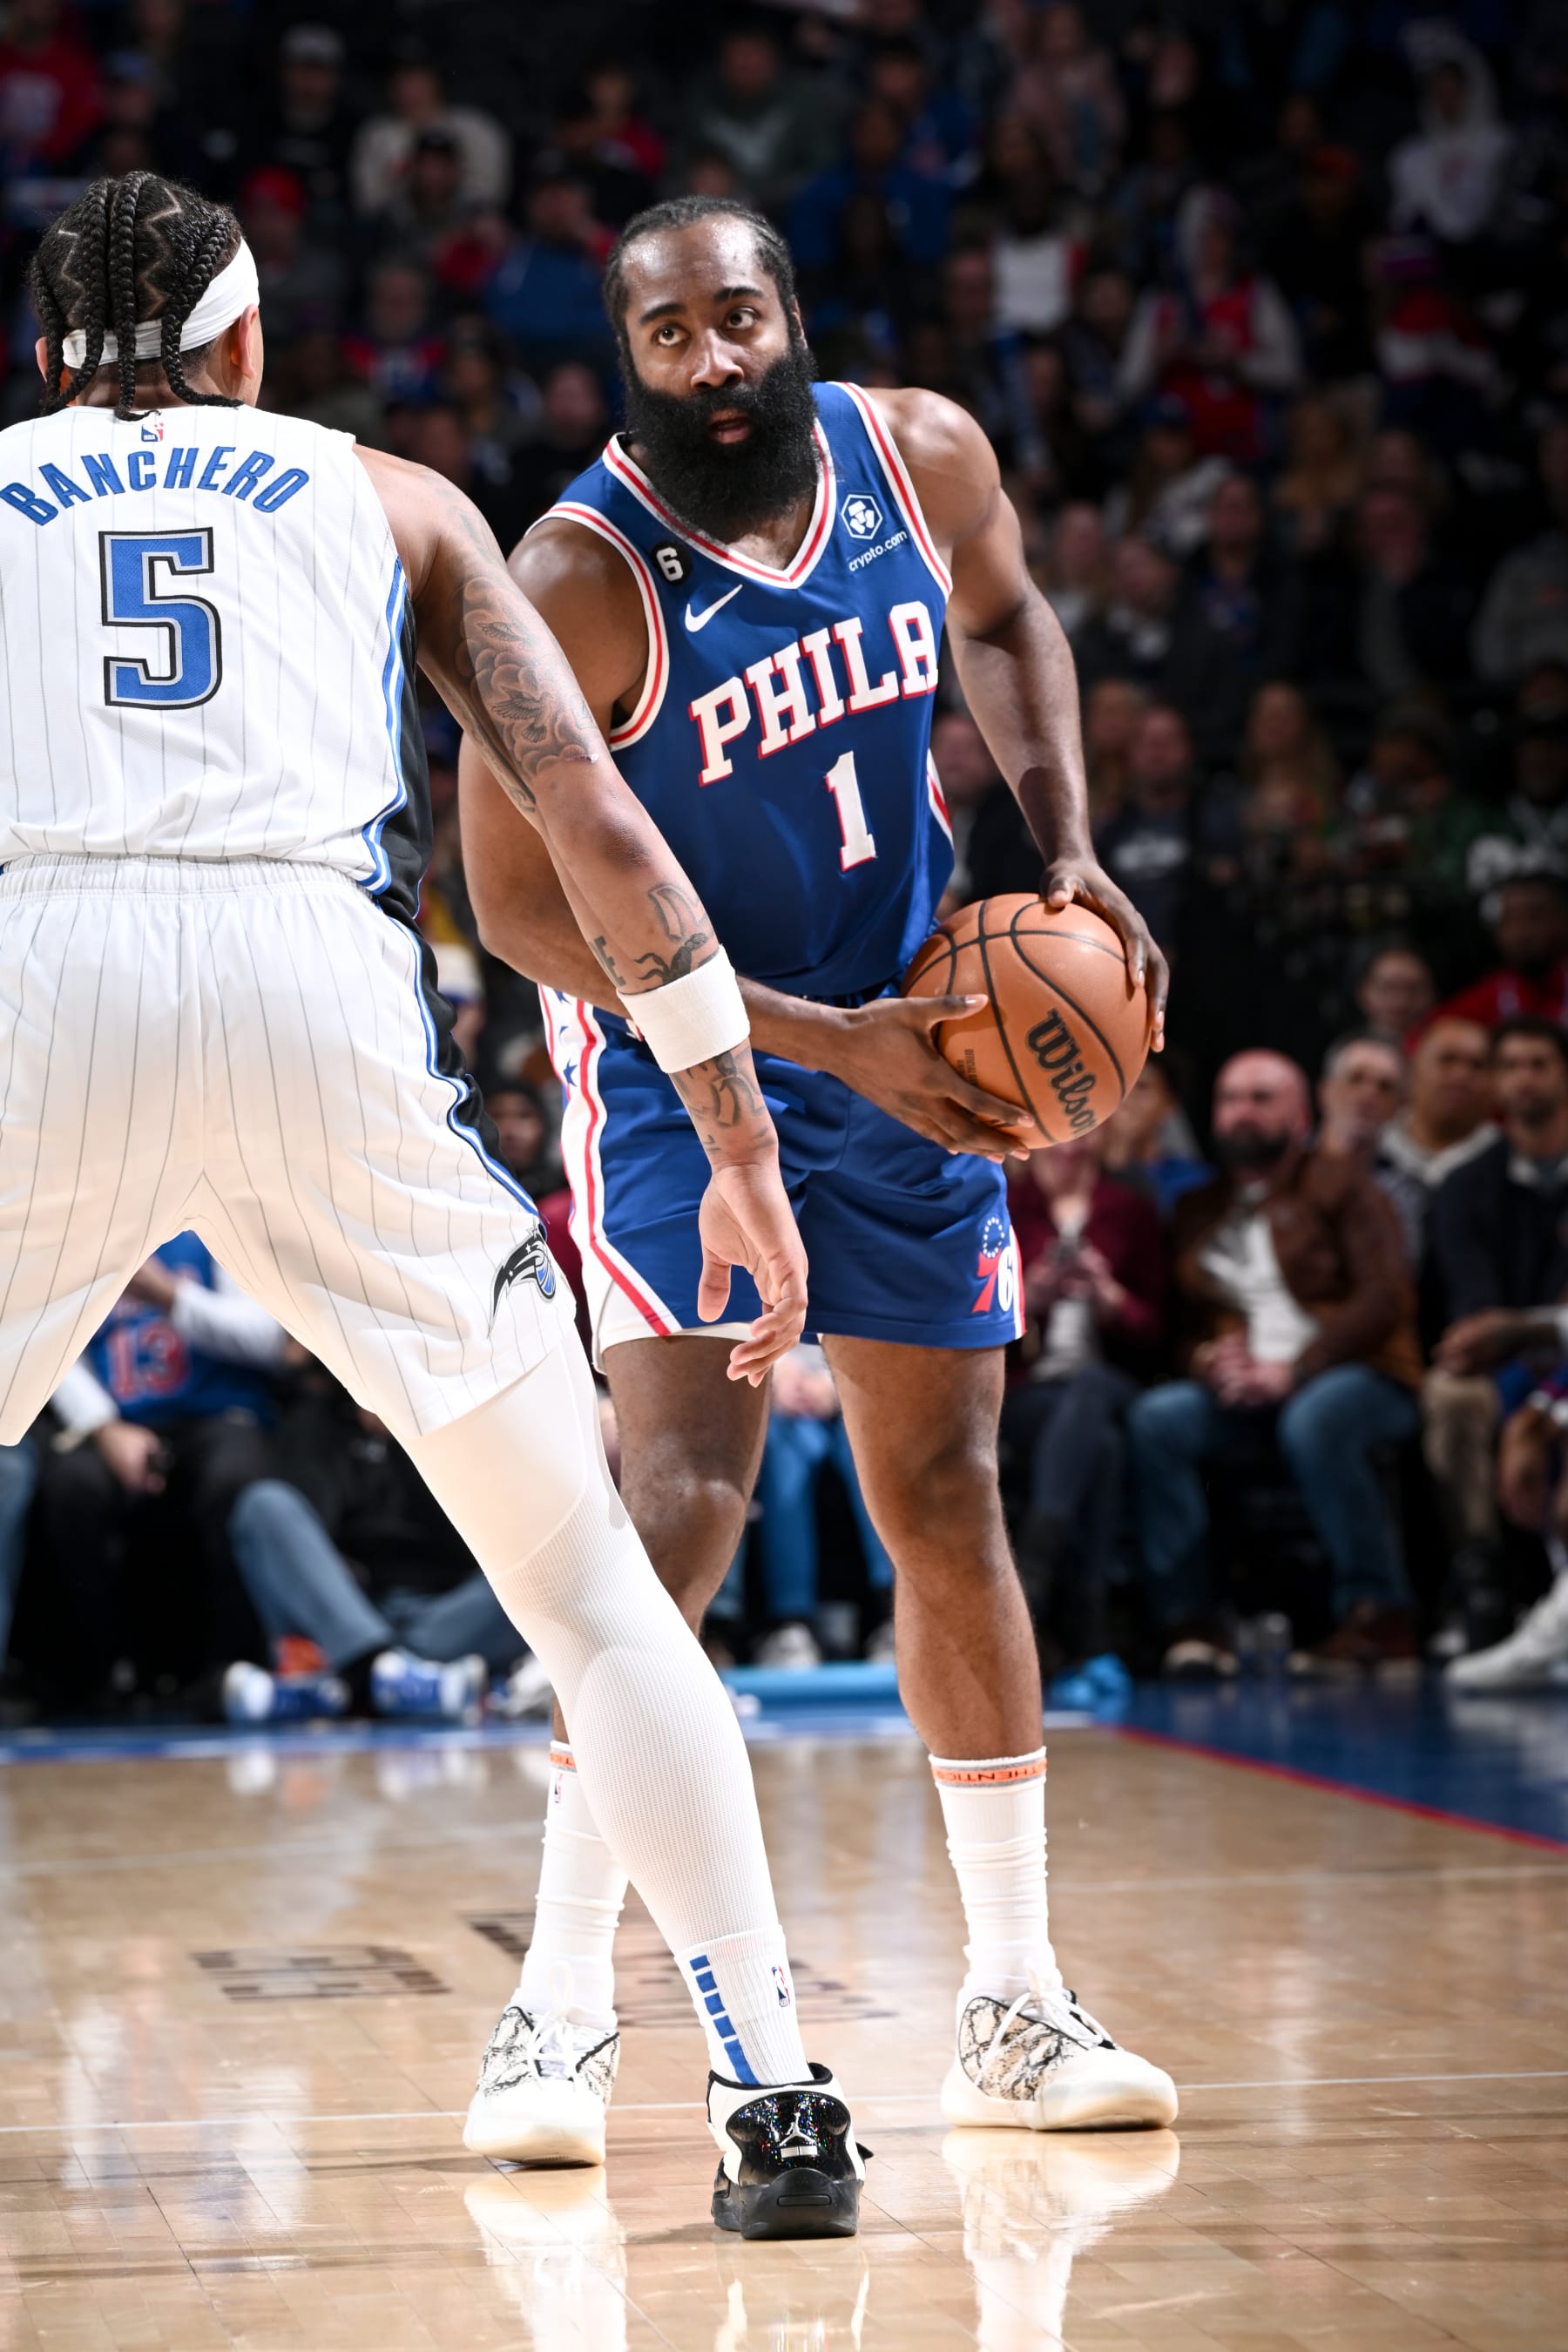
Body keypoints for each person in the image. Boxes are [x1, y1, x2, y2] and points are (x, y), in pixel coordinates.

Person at [9, 170, 862, 2238]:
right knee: (588, 1595)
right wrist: (741, 1144)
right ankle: (770, 2097)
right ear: (243, 349)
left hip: (38, 974)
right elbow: (596, 823)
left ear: (48, 365)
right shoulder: (391, 497)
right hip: (311, 981)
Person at [459, 193, 1177, 2153]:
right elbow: (513, 905)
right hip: (694, 1073)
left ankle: (1014, 2005)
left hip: (925, 1040)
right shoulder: (579, 575)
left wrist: (1064, 845)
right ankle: (555, 2015)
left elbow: (1016, 623)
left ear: (791, 318)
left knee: (945, 1490)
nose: (715, 358)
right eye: (672, 333)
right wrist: (812, 1041)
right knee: (679, 1509)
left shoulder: (919, 455)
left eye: (739, 317)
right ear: (630, 357)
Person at [1127, 1051, 1422, 1674]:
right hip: (1247, 1390)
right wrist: (1211, 1359)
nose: (1242, 1114)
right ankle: (1191, 1624)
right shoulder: (1197, 1208)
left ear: (1301, 1112)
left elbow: (1384, 1299)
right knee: (1159, 1419)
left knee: (1315, 1421)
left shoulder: (1344, 1186)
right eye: (1230, 1099)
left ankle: (1380, 1613)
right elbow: (1180, 1330)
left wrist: (1297, 1368)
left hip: (1362, 1374)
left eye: (1261, 1099)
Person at [1424, 1019, 1568, 1647]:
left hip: (1552, 1360)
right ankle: (1483, 1579)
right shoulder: (1465, 1183)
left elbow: (1502, 1325)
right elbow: (1474, 1316)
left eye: (1539, 1064)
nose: (1523, 1079)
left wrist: (1519, 1329)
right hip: (1511, 1366)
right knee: (1452, 1394)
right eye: (1509, 1066)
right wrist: (1525, 1332)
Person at [1002, 1130, 1166, 1666]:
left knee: (1091, 1393)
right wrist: (1031, 1297)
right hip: (1031, 1390)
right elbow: (975, 1320)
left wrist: (1109, 1297)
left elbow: (1160, 1332)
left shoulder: (1129, 1209)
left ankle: (1037, 1568)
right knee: (1100, 1448)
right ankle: (1090, 1624)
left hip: (1110, 1377)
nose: (1070, 1146)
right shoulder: (1004, 1201)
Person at [1315, 1035, 1424, 1266]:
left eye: (1385, 1087)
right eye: (1355, 1079)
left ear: (1398, 1107)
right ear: (1325, 1091)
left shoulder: (1406, 1192)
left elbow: (1397, 1270)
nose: (1368, 1094)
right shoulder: (1280, 1166)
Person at [1379, 1017, 1496, 1194]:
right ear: (1412, 1070)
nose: (1461, 1076)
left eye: (1477, 1065)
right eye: (1447, 1060)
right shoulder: (1370, 1152)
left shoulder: (1512, 1165)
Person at [1440, 875, 1568, 1031]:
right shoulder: (1479, 1002)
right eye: (1510, 919)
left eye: (1535, 917)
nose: (1522, 931)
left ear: (1561, 921)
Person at [1355, 940, 1436, 1046]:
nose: (1401, 1001)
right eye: (1388, 988)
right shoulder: (1349, 1055)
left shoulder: (1451, 1049)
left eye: (1413, 989)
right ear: (1364, 992)